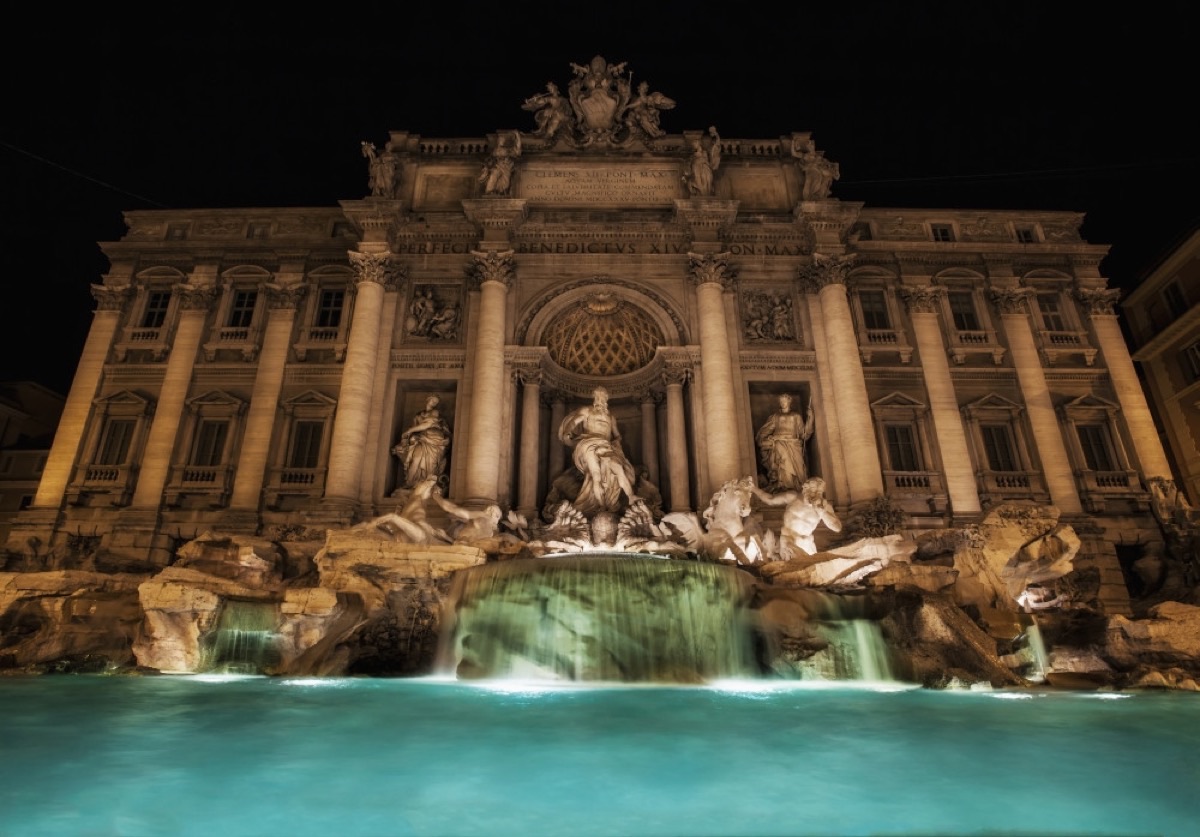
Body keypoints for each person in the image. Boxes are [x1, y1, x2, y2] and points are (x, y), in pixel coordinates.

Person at [558, 386, 637, 515]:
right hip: (589, 443)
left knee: (618, 468)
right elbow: (573, 422)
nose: (601, 399)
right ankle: (602, 507)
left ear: (606, 399)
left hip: (605, 446)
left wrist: (617, 441)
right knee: (596, 475)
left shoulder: (611, 417)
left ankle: (631, 496)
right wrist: (567, 433)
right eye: (598, 396)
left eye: (603, 396)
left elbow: (617, 435)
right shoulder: (587, 411)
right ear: (594, 398)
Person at [751, 477, 842, 559]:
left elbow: (837, 527)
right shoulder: (793, 497)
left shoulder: (824, 506)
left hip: (807, 542)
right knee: (801, 564)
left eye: (812, 489)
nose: (807, 490)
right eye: (806, 487)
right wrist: (753, 488)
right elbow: (770, 499)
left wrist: (822, 512)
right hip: (789, 540)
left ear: (819, 491)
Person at [756, 393, 815, 492]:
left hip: (794, 444)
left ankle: (796, 486)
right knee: (783, 463)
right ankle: (783, 485)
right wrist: (765, 439)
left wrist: (811, 418)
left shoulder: (796, 416)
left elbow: (803, 434)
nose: (783, 403)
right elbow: (764, 431)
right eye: (781, 401)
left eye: (785, 401)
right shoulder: (775, 417)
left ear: (789, 402)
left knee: (798, 468)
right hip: (779, 443)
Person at [392, 396, 451, 489]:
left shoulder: (435, 412)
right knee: (416, 459)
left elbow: (427, 424)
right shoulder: (418, 415)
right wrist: (409, 437)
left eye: (436, 402)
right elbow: (416, 428)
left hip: (434, 440)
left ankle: (427, 486)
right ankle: (411, 483)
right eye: (433, 400)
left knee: (431, 463)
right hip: (421, 439)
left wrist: (409, 431)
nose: (434, 403)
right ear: (428, 400)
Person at [478, 131, 521, 195]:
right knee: (492, 177)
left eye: (502, 140)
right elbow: (490, 159)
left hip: (506, 167)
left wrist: (518, 137)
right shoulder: (495, 150)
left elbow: (517, 151)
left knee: (505, 183)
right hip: (497, 166)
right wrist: (488, 165)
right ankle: (489, 191)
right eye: (499, 140)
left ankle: (501, 192)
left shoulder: (507, 150)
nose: (500, 141)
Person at [685, 126, 721, 196]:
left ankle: (704, 192)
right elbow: (687, 168)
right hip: (696, 170)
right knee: (698, 180)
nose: (695, 145)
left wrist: (716, 135)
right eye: (694, 144)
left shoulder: (706, 152)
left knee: (707, 180)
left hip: (705, 168)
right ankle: (702, 192)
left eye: (696, 143)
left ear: (699, 144)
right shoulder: (692, 157)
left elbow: (715, 150)